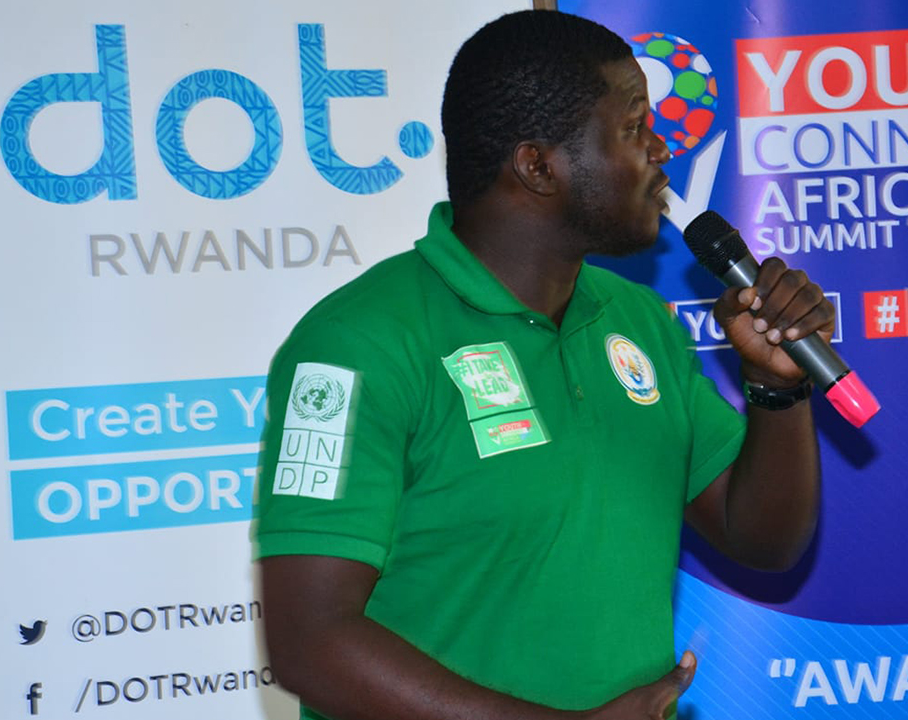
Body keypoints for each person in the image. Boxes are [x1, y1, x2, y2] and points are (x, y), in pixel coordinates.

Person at [254, 9, 831, 720]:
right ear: (537, 166)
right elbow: (309, 643)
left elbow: (762, 541)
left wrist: (777, 388)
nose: (660, 150)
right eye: (632, 128)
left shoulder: (638, 321)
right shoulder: (357, 344)